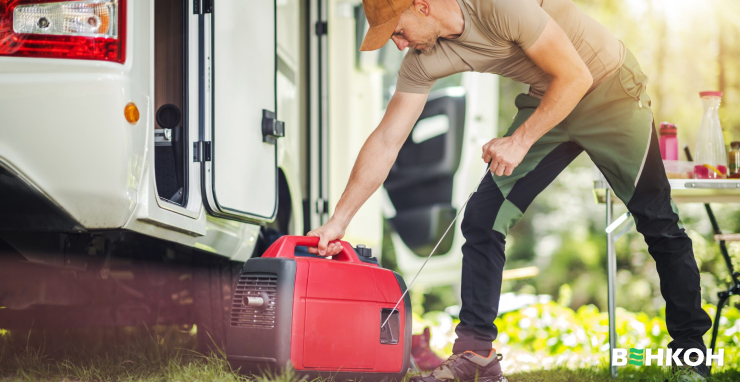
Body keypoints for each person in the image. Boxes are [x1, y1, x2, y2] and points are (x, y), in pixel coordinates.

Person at [306, 0, 713, 381]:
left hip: (609, 89)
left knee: (658, 221)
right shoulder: (422, 60)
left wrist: (519, 141)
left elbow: (576, 76)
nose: (398, 45)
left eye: (397, 32)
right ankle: (476, 356)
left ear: (423, 5)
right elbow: (386, 139)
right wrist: (338, 220)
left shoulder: (497, 4)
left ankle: (691, 354)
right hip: (549, 99)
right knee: (483, 218)